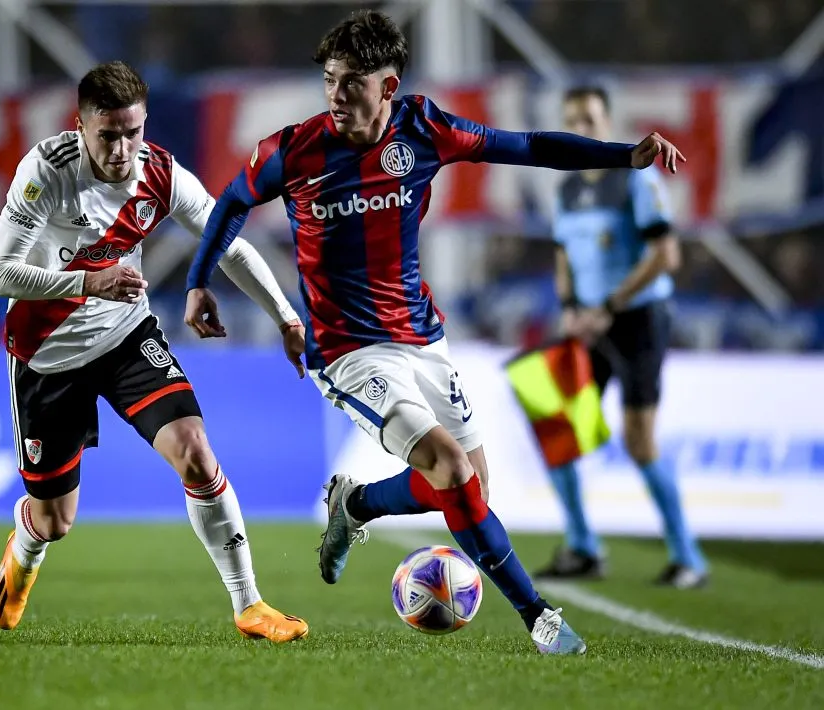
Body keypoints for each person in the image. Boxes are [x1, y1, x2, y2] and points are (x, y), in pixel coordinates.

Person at [185, 10, 687, 655]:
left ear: (388, 86)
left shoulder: (424, 128)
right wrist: (200, 281)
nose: (337, 96)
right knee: (450, 469)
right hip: (347, 351)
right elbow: (230, 203)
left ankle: (356, 504)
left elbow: (526, 146)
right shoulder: (291, 150)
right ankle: (539, 616)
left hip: (423, 336)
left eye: (353, 84)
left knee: (471, 485)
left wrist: (625, 156)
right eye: (331, 81)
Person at [0, 60, 308, 642]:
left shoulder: (160, 172)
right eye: (108, 135)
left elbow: (225, 242)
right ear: (80, 128)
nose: (122, 148)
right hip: (47, 354)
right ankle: (25, 546)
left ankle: (250, 605)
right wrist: (89, 281)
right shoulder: (46, 173)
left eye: (133, 131)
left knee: (196, 453)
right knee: (56, 521)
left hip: (126, 336)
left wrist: (284, 316)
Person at [532, 86, 707, 588]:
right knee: (560, 428)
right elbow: (564, 253)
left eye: (589, 119)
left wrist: (608, 307)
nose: (582, 129)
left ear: (608, 123)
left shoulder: (636, 177)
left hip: (637, 321)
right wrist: (569, 308)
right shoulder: (566, 188)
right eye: (573, 121)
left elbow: (665, 257)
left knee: (638, 440)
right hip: (587, 322)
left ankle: (687, 557)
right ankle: (584, 547)